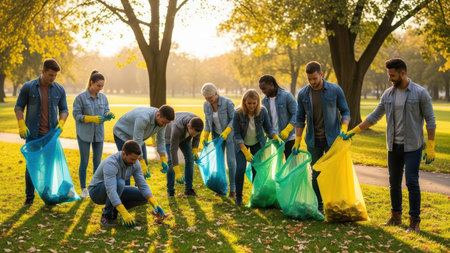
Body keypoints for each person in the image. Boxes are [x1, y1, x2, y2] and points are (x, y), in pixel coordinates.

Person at [343, 58, 436, 233]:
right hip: (393, 146)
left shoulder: (420, 93)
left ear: (402, 73)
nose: (390, 79)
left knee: (412, 182)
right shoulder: (388, 94)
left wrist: (430, 144)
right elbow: (374, 116)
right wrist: (353, 131)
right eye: (389, 75)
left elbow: (430, 119)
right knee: (393, 183)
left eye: (392, 75)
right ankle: (395, 217)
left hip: (413, 146)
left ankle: (414, 220)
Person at [293, 61, 350, 213]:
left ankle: (334, 203)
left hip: (333, 140)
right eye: (309, 79)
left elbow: (345, 111)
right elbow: (299, 118)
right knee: (316, 174)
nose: (312, 82)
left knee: (333, 173)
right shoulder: (303, 94)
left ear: (321, 74)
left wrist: (344, 128)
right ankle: (319, 205)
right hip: (313, 141)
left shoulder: (335, 90)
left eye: (315, 79)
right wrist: (297, 140)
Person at [14, 58, 69, 207]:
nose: (52, 78)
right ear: (43, 71)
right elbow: (18, 106)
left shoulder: (59, 89)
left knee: (49, 166)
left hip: (50, 136)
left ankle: (47, 196)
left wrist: (61, 123)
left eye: (55, 76)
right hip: (32, 135)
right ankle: (29, 198)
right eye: (50, 75)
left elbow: (64, 109)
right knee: (31, 166)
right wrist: (21, 124)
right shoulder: (28, 87)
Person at [88, 140, 165, 227]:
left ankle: (114, 211)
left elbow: (142, 184)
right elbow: (111, 190)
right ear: (124, 154)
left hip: (116, 188)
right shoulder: (111, 163)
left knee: (144, 196)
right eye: (132, 159)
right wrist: (124, 212)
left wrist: (153, 202)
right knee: (120, 183)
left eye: (136, 159)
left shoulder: (135, 163)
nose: (134, 162)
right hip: (97, 192)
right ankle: (106, 216)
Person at [233, 89, 282, 206]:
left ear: (258, 102)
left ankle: (256, 196)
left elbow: (268, 128)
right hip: (242, 145)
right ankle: (238, 198)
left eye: (254, 103)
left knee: (257, 170)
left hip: (257, 143)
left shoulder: (262, 111)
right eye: (249, 103)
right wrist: (245, 151)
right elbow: (236, 134)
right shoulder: (238, 113)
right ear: (244, 102)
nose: (252, 106)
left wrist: (276, 136)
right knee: (240, 169)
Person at [73, 71, 115, 198]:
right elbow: (76, 115)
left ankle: (95, 187)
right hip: (84, 134)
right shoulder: (80, 98)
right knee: (84, 162)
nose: (100, 88)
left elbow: (106, 111)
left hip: (99, 135)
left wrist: (108, 115)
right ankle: (83, 188)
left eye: (102, 86)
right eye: (98, 85)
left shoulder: (103, 98)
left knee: (98, 162)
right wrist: (91, 118)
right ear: (91, 82)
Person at [113, 105, 174, 184]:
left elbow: (161, 140)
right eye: (163, 122)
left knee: (143, 169)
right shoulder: (143, 118)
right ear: (158, 115)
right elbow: (137, 141)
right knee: (127, 164)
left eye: (166, 123)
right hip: (122, 134)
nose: (164, 125)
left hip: (138, 137)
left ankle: (138, 192)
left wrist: (163, 158)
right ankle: (125, 191)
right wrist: (141, 162)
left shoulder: (162, 121)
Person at [200, 82, 237, 198]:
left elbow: (234, 119)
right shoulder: (206, 105)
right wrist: (205, 134)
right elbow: (207, 121)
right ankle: (221, 188)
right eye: (206, 98)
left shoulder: (227, 103)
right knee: (219, 163)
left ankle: (233, 190)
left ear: (216, 93)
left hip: (230, 136)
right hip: (217, 138)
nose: (208, 100)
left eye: (210, 97)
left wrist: (227, 131)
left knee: (231, 162)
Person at [165, 112, 204, 197]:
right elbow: (173, 150)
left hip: (185, 137)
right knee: (171, 162)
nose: (194, 135)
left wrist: (194, 149)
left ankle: (188, 189)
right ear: (188, 126)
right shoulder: (177, 128)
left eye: (196, 134)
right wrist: (177, 170)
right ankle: (170, 191)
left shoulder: (198, 125)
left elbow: (196, 138)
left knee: (190, 160)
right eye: (193, 133)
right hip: (170, 137)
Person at [259, 75, 297, 158]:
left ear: (272, 85)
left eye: (264, 88)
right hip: (274, 139)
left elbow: (296, 114)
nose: (263, 91)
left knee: (291, 166)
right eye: (261, 89)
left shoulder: (287, 96)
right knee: (278, 167)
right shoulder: (263, 102)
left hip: (289, 138)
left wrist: (288, 129)